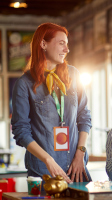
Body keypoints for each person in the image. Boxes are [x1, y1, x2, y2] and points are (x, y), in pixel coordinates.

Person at [11, 23, 92, 184]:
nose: (66, 49)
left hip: (76, 168)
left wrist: (80, 154)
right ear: (43, 44)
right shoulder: (24, 84)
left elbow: (85, 117)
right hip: (43, 174)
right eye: (61, 43)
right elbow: (21, 131)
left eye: (67, 44)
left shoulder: (74, 75)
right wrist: (48, 160)